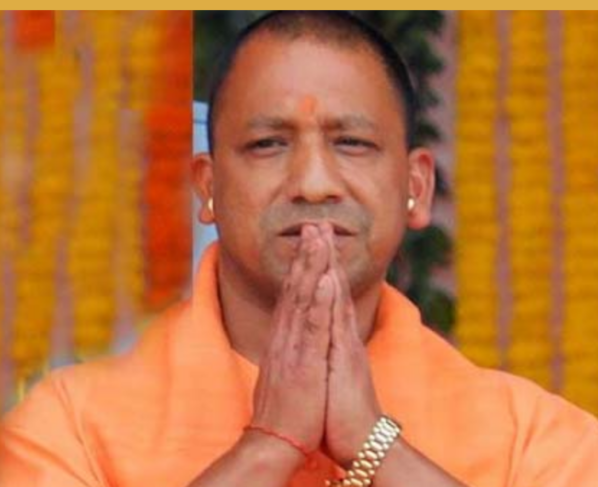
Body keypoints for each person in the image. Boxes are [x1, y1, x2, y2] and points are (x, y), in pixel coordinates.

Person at [1, 11, 598, 487]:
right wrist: (267, 447)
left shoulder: (535, 439)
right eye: (268, 144)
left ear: (415, 187)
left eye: (352, 142)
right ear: (208, 188)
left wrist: (373, 445)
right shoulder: (70, 426)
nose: (313, 183)